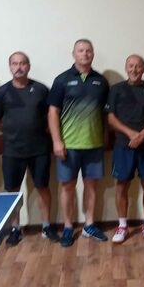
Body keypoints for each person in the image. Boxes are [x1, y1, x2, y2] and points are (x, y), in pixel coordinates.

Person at [0, 51, 59, 246]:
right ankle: (15, 228)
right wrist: (14, 132)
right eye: (14, 63)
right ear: (10, 67)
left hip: (39, 149)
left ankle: (46, 226)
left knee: (42, 187)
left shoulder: (41, 90)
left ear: (28, 66)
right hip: (12, 150)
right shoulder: (1, 93)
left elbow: (51, 116)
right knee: (13, 190)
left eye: (22, 63)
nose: (19, 67)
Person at [48, 39, 109, 247]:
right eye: (81, 50)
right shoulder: (62, 80)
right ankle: (67, 226)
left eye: (88, 50)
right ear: (73, 54)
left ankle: (89, 224)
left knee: (92, 187)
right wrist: (57, 141)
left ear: (93, 54)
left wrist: (105, 137)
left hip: (94, 144)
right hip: (68, 145)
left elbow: (105, 113)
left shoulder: (101, 81)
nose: (85, 54)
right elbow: (52, 113)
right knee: (67, 187)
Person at [105, 54, 144, 244]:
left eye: (138, 66)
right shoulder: (116, 89)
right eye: (131, 66)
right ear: (126, 68)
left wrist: (142, 135)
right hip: (124, 145)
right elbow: (110, 117)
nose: (134, 69)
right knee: (122, 185)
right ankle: (122, 226)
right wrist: (131, 134)